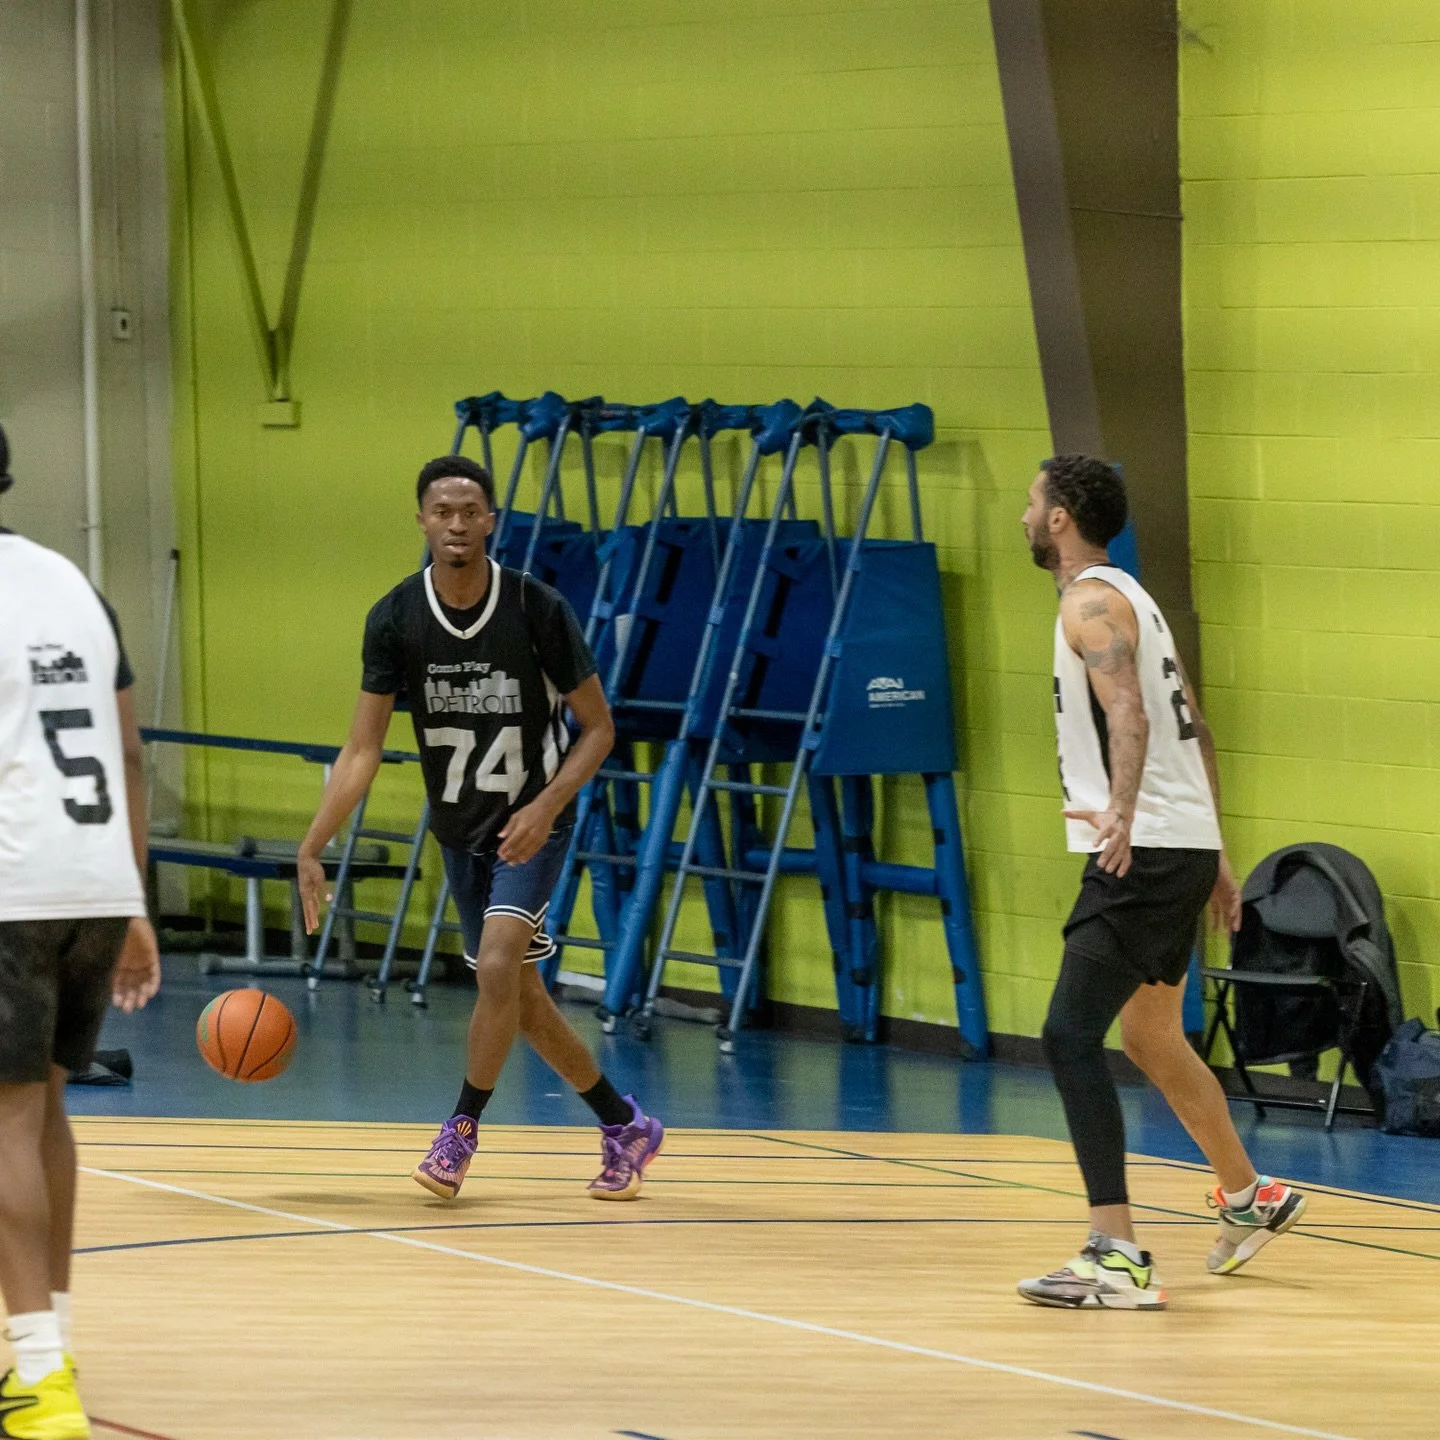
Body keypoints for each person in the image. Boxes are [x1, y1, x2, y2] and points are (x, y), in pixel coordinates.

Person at [298, 456, 663, 1202]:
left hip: (532, 822)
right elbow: (363, 747)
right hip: (460, 829)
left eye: (471, 510)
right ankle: (624, 1123)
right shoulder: (395, 617)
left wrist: (548, 804)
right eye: (442, 510)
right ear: (423, 519)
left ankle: (460, 1131)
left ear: (491, 519)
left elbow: (599, 730)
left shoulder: (535, 607)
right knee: (520, 997)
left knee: (497, 967)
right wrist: (313, 843)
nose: (457, 523)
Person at [1016, 454, 1305, 1310]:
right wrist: (1214, 851)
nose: (1025, 515)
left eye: (1033, 503)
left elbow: (1133, 715)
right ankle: (1250, 1196)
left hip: (1140, 852)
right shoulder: (1137, 599)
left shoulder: (1091, 601)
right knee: (1149, 1036)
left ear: (1062, 516)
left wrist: (1124, 812)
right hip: (1176, 847)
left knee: (1069, 1036)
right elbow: (1199, 728)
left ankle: (1116, 1255)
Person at [0, 424, 161, 1439]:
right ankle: (50, 1338)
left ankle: (40, 1377)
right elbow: (131, 751)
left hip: (13, 882)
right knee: (45, 1113)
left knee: (7, 1125)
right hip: (96, 883)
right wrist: (135, 900)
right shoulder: (72, 582)